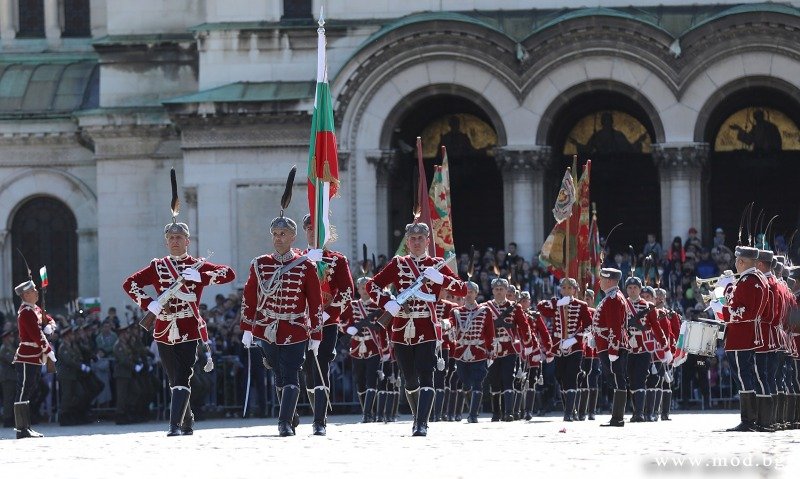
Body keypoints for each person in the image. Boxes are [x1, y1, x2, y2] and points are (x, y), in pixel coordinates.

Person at [123, 217, 236, 436]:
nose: (175, 241)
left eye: (179, 238)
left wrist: (201, 276)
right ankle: (187, 418)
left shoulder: (198, 265)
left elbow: (228, 273)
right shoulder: (158, 266)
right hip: (164, 327)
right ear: (167, 242)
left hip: (188, 326)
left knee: (184, 374)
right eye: (171, 238)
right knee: (173, 376)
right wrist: (150, 304)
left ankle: (174, 424)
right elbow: (130, 284)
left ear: (187, 241)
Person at [365, 221, 466, 436]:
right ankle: (417, 416)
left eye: (421, 239)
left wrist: (441, 278)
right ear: (407, 243)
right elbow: (371, 285)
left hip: (427, 326)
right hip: (401, 326)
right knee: (409, 378)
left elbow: (462, 289)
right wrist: (388, 302)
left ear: (428, 241)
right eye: (413, 239)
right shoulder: (398, 264)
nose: (417, 242)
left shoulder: (436, 263)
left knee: (426, 374)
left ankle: (422, 423)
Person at [239, 211, 323, 437]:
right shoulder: (260, 264)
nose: (278, 238)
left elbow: (315, 300)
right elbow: (250, 297)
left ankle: (283, 422)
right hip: (267, 329)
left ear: (293, 236)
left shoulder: (305, 266)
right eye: (275, 234)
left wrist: (316, 333)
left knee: (291, 373)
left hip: (295, 328)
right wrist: (247, 328)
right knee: (278, 374)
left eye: (283, 234)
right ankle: (291, 413)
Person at [301, 214, 354, 435]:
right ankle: (312, 412)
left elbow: (347, 292)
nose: (313, 232)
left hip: (326, 322)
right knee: (306, 370)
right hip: (300, 324)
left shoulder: (337, 260)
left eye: (318, 228)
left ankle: (319, 420)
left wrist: (327, 314)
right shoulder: (297, 258)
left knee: (321, 365)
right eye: (309, 228)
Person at [708, 246, 769, 432]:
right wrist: (727, 288)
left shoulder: (749, 281)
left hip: (741, 337)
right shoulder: (754, 280)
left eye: (736, 260)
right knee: (746, 377)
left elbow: (743, 312)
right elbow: (739, 303)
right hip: (745, 335)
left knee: (743, 378)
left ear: (741, 261)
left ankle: (749, 420)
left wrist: (721, 310)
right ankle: (756, 419)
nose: (735, 264)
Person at [537, 278, 591, 421]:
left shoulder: (581, 305)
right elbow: (541, 307)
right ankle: (571, 408)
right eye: (564, 288)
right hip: (558, 347)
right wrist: (558, 303)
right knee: (560, 377)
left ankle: (567, 414)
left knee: (571, 376)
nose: (566, 291)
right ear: (561, 290)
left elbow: (588, 326)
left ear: (574, 290)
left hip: (575, 347)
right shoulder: (556, 304)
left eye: (569, 288)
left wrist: (574, 339)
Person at [483, 278, 532, 422]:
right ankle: (496, 413)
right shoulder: (486, 307)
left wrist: (527, 342)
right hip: (492, 349)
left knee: (508, 378)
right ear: (492, 291)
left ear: (506, 291)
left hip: (509, 348)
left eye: (502, 289)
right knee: (494, 381)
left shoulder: (514, 307)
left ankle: (508, 412)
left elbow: (523, 325)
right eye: (496, 289)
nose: (499, 292)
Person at [12, 280, 56, 439]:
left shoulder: (35, 309)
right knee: (23, 391)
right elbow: (35, 335)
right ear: (26, 295)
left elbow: (49, 318)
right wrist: (49, 350)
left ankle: (26, 427)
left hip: (36, 358)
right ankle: (21, 429)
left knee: (29, 391)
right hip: (27, 357)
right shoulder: (25, 312)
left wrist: (50, 325)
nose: (37, 292)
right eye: (33, 290)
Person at [340, 277, 387, 423]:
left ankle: (367, 414)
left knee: (371, 379)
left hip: (372, 346)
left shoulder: (378, 307)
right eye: (361, 287)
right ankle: (368, 410)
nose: (364, 290)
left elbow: (384, 329)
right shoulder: (352, 306)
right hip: (356, 348)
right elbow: (340, 321)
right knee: (359, 380)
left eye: (367, 287)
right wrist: (349, 329)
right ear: (358, 289)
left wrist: (385, 350)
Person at [450, 282, 495, 423]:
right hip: (461, 351)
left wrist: (490, 349)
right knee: (465, 383)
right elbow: (452, 324)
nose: (468, 294)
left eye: (471, 292)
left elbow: (489, 332)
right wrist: (447, 324)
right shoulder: (456, 311)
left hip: (478, 351)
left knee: (477, 382)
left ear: (476, 293)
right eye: (466, 292)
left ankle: (473, 414)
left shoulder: (485, 311)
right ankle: (462, 411)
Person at [624, 279, 667, 423]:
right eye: (629, 287)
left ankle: (640, 413)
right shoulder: (623, 305)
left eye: (635, 287)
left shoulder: (648, 306)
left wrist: (665, 347)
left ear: (640, 289)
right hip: (628, 347)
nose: (632, 290)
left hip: (644, 346)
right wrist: (627, 337)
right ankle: (635, 410)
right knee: (631, 379)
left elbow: (656, 327)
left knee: (640, 379)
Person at [593, 268, 630, 427]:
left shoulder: (613, 299)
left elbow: (614, 326)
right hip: (607, 344)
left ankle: (618, 418)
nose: (599, 281)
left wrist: (613, 350)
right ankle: (617, 417)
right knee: (616, 379)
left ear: (609, 280)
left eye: (601, 279)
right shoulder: (611, 297)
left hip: (612, 346)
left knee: (617, 379)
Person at [519, 291, 553, 420]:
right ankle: (517, 410)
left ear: (529, 302)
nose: (523, 303)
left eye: (525, 300)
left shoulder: (535, 316)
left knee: (531, 380)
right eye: (521, 300)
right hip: (518, 350)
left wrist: (549, 351)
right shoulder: (513, 314)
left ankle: (528, 410)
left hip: (533, 351)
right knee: (517, 381)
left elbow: (544, 334)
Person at [0, 329, 17, 428]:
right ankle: (7, 419)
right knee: (8, 399)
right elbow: (12, 360)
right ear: (5, 338)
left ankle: (11, 418)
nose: (11, 338)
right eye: (9, 337)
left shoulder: (10, 347)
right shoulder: (3, 348)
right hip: (7, 377)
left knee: (11, 398)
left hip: (12, 377)